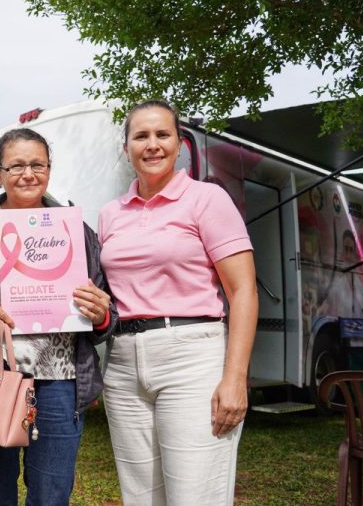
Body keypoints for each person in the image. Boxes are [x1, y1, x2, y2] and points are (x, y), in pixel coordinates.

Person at [0, 128, 118, 506]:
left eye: (38, 164)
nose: (28, 174)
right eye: (16, 165)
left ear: (49, 169)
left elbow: (107, 312)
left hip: (60, 382)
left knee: (52, 495)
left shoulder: (76, 231)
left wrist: (100, 313)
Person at [98, 100, 258, 506]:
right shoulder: (110, 214)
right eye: (141, 136)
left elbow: (243, 291)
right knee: (142, 498)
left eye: (162, 134)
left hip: (192, 356)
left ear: (179, 144)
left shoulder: (206, 199)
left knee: (195, 497)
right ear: (126, 148)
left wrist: (235, 378)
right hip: (122, 363)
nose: (152, 145)